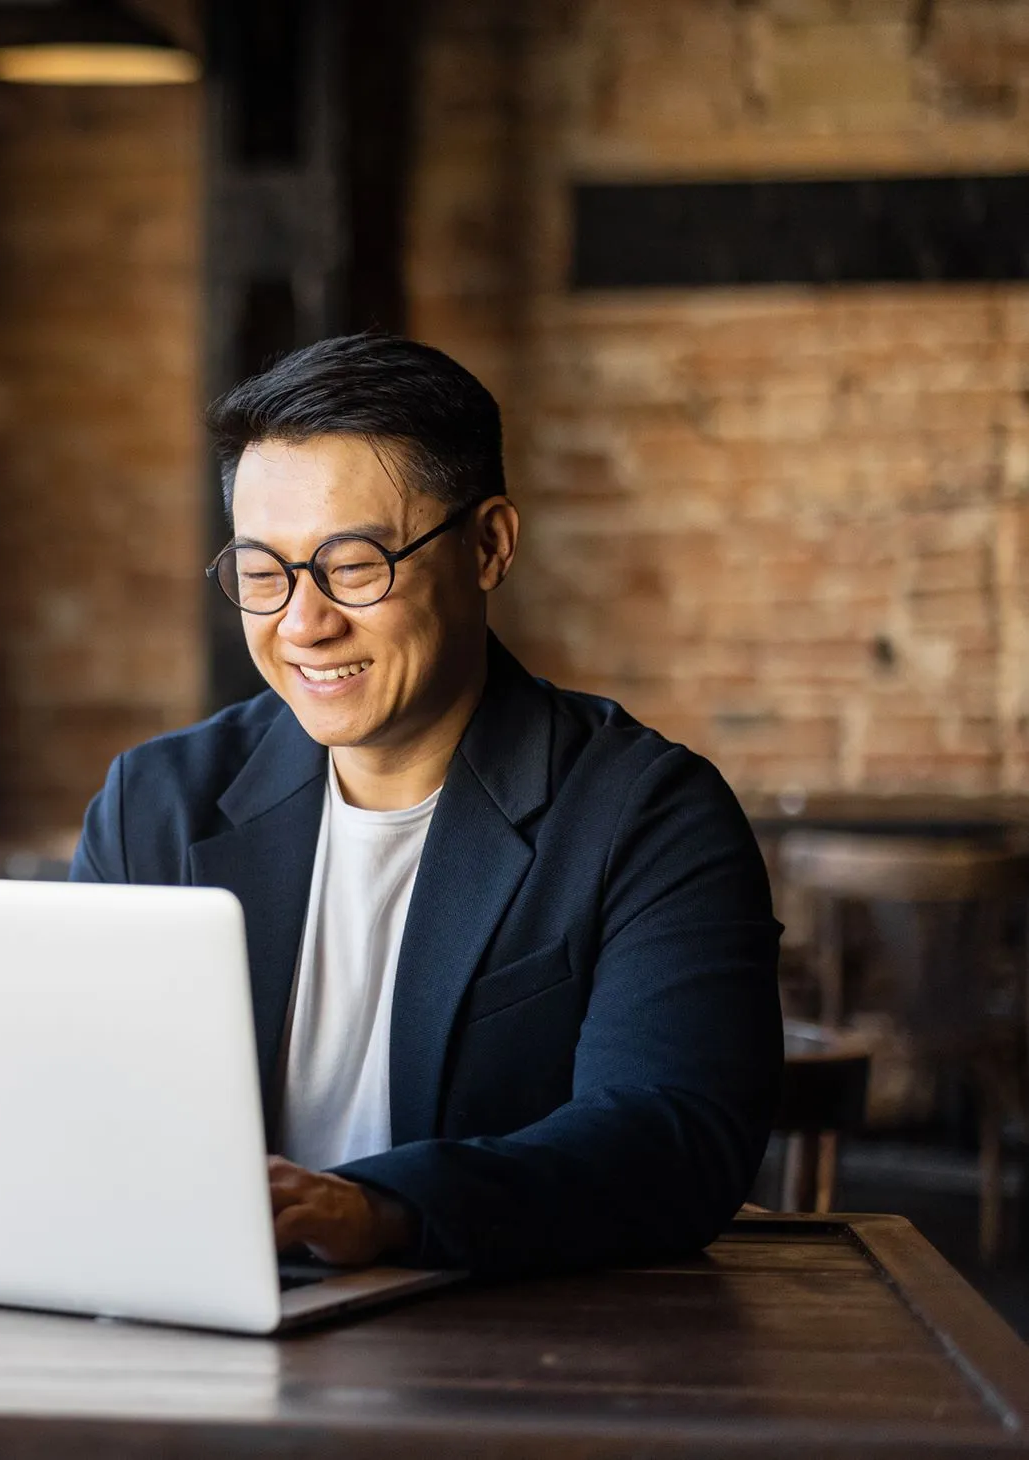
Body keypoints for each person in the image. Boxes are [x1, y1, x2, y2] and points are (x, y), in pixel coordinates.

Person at [70, 333, 781, 1276]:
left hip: (506, 1351)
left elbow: (672, 1138)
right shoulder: (156, 805)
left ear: (489, 545)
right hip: (201, 1326)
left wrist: (381, 1211)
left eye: (354, 565)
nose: (302, 623)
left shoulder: (646, 817)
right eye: (261, 573)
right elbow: (70, 1103)